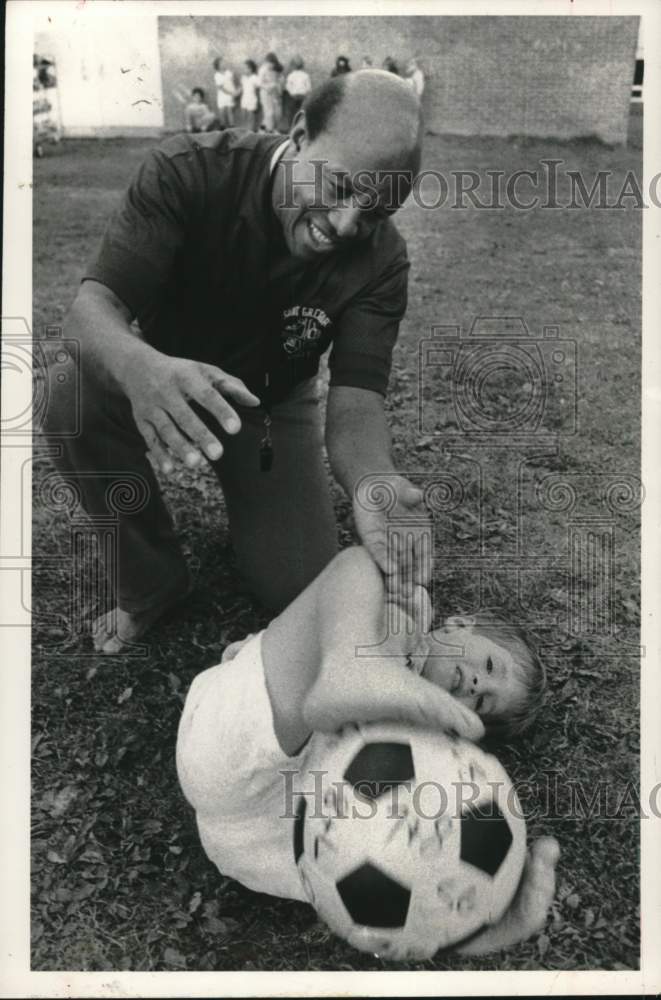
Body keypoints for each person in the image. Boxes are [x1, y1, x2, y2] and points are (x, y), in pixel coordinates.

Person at [46, 70, 430, 653]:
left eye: (375, 212)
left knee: (300, 591)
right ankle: (151, 584)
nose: (347, 224)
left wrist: (374, 479)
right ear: (299, 134)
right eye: (340, 186)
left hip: (270, 405)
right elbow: (89, 312)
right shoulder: (190, 169)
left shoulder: (381, 260)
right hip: (162, 370)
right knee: (69, 393)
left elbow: (357, 400)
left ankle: (261, 505)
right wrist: (143, 370)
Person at [177, 546, 559, 955]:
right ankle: (349, 663)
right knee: (359, 568)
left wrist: (475, 903)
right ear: (458, 626)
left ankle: (454, 922)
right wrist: (385, 646)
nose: (478, 684)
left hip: (259, 847)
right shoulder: (408, 616)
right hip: (241, 743)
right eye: (490, 666)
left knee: (400, 841)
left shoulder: (430, 759)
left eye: (482, 702)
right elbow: (361, 588)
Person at [258, 51, 284, 131]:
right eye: (268, 63)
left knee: (277, 113)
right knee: (269, 112)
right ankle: (269, 130)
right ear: (266, 62)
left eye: (271, 63)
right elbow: (260, 83)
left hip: (275, 92)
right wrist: (268, 87)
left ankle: (264, 129)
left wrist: (278, 87)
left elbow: (281, 79)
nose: (270, 65)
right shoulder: (262, 69)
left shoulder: (276, 69)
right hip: (266, 93)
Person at [283, 55, 311, 129]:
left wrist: (291, 93)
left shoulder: (291, 75)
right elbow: (308, 88)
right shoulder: (305, 75)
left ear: (293, 66)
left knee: (292, 113)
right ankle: (301, 127)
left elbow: (287, 87)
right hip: (303, 96)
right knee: (302, 112)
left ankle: (292, 127)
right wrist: (305, 93)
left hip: (293, 96)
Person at [213, 56, 238, 129]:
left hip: (231, 94)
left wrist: (234, 93)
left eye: (224, 63)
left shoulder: (229, 73)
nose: (223, 64)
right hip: (222, 95)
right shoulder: (217, 75)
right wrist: (230, 93)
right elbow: (220, 87)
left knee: (230, 111)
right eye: (221, 63)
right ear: (218, 65)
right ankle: (222, 127)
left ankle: (232, 127)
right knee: (222, 111)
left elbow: (232, 83)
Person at [239, 59, 260, 131]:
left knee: (251, 119)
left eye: (245, 68)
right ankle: (245, 131)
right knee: (244, 117)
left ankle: (251, 132)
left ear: (250, 69)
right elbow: (241, 88)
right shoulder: (243, 78)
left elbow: (259, 89)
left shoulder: (255, 78)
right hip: (244, 100)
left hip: (252, 100)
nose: (243, 70)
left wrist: (257, 101)